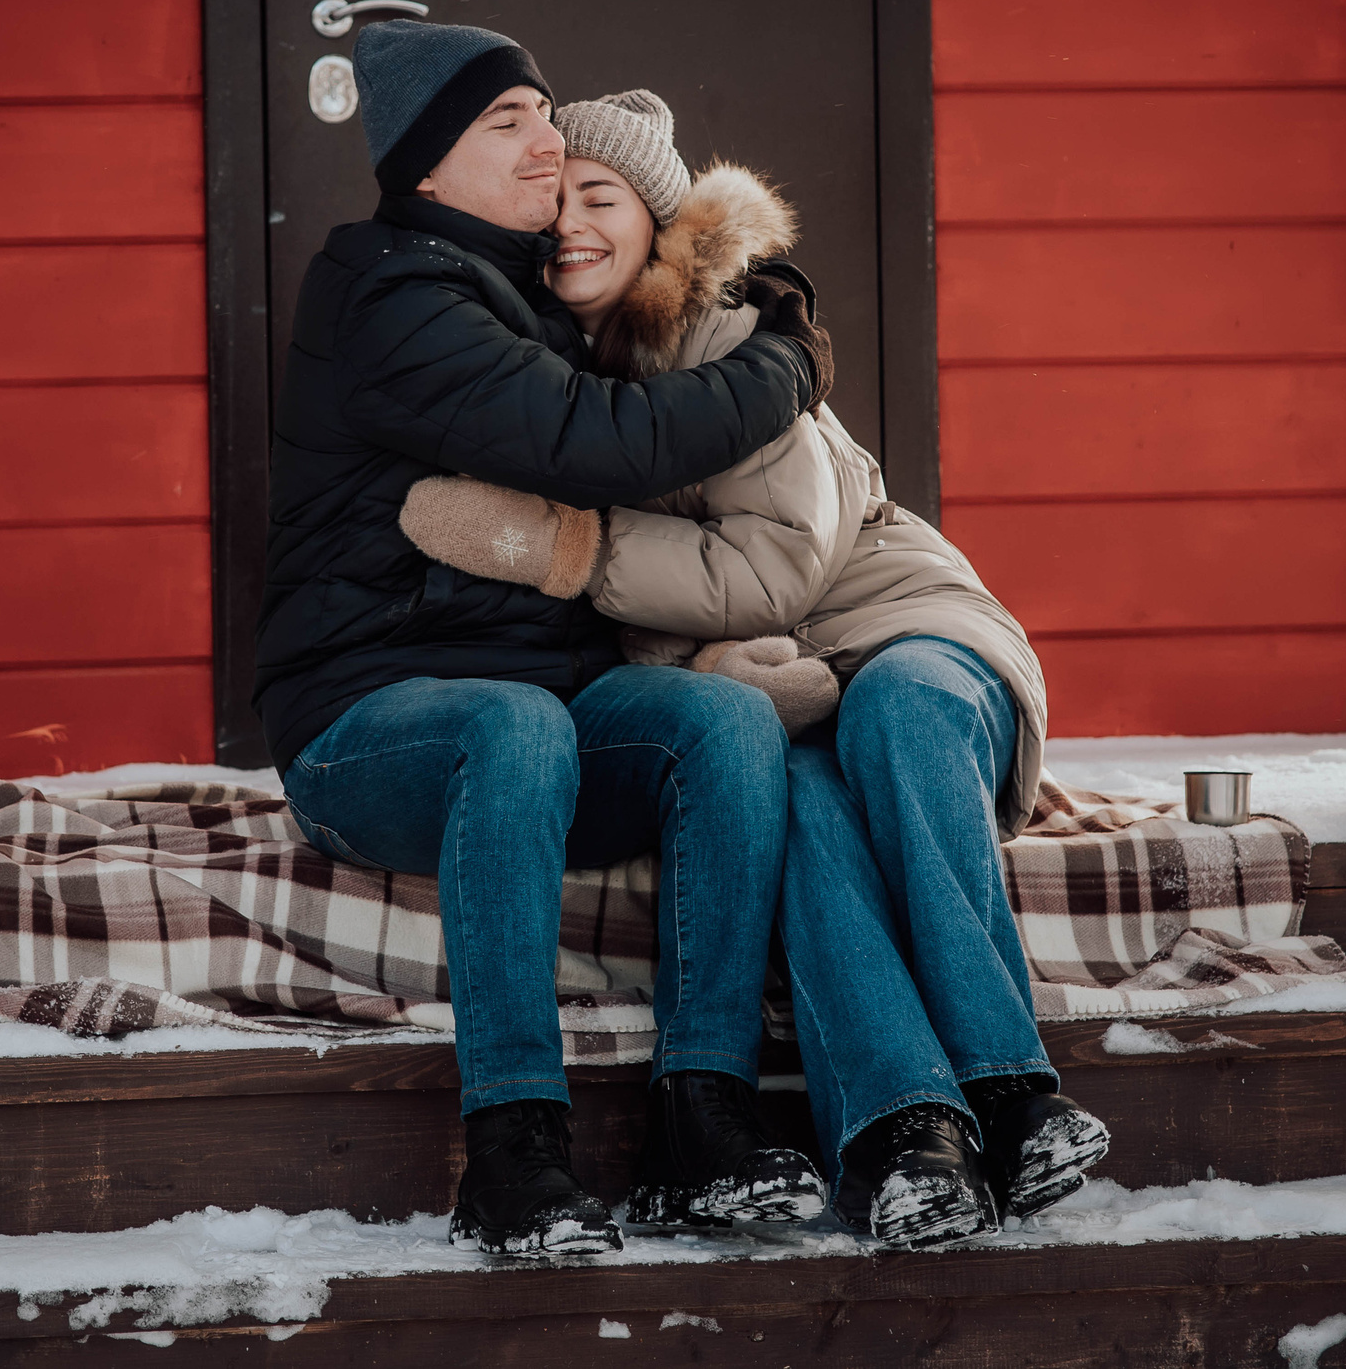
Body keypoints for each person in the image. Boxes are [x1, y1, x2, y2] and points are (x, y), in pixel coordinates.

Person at [397, 89, 1112, 1250]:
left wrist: (574, 550)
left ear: (658, 218)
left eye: (602, 197)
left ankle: (1013, 1094)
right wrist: (713, 666)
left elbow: (779, 567)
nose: (572, 224)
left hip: (901, 626)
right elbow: (637, 640)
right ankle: (903, 1137)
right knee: (806, 819)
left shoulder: (729, 339)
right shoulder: (550, 386)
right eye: (554, 203)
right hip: (780, 683)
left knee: (891, 713)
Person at [258, 24, 834, 1258]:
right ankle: (513, 1155)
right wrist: (787, 359)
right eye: (507, 122)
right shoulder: (390, 295)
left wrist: (743, 292)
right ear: (426, 167)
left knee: (721, 722)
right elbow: (599, 441)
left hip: (546, 718)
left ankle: (703, 1127)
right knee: (509, 725)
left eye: (542, 112)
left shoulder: (518, 285)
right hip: (366, 730)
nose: (547, 139)